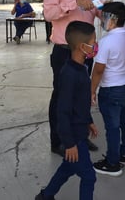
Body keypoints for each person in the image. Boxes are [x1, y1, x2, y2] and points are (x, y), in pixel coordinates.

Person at [43, 0, 102, 157]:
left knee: (82, 96)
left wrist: (106, 11)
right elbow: (49, 14)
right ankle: (58, 141)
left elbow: (99, 12)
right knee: (62, 97)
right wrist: (74, 3)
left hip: (85, 52)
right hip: (64, 52)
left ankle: (81, 135)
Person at [35, 21, 98, 200]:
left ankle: (46, 195)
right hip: (75, 137)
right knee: (88, 176)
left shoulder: (81, 68)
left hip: (80, 130)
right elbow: (62, 111)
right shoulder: (70, 74)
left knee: (68, 167)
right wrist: (69, 143)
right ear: (81, 47)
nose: (95, 46)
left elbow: (81, 104)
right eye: (93, 42)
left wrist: (89, 121)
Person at [91, 2, 125, 176]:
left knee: (112, 126)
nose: (101, 20)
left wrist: (92, 91)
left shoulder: (106, 41)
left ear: (113, 19)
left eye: (103, 16)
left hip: (111, 89)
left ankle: (112, 163)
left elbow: (98, 70)